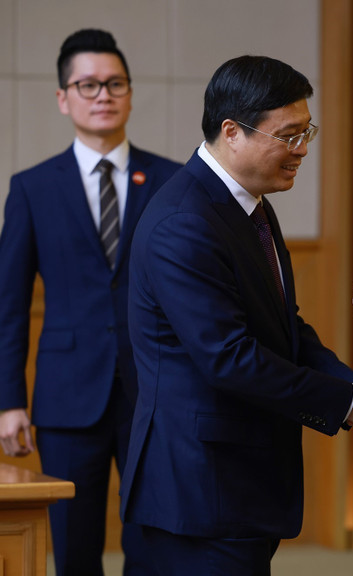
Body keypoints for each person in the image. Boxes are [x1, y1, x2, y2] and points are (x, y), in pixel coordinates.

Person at [119, 55, 353, 575]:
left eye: (307, 132)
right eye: (288, 135)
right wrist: (349, 404)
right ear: (232, 131)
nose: (301, 150)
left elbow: (285, 330)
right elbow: (228, 359)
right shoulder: (184, 222)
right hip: (200, 492)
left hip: (237, 488)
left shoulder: (249, 205)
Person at [0, 28, 181, 576]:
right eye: (88, 84)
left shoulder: (172, 181)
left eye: (114, 83)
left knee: (153, 538)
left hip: (155, 390)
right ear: (63, 97)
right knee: (74, 546)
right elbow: (9, 306)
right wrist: (10, 401)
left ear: (129, 92)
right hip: (65, 394)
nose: (102, 94)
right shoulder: (31, 187)